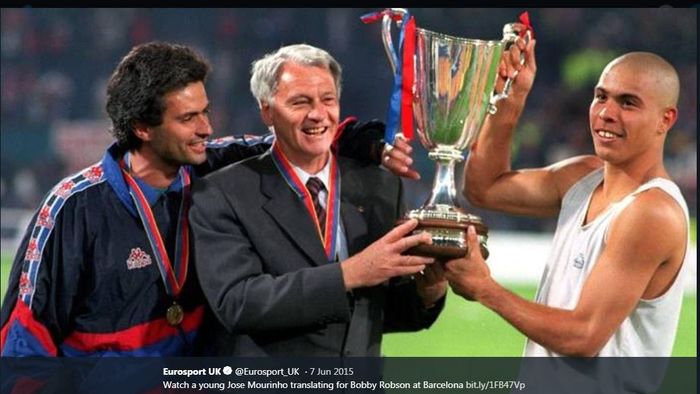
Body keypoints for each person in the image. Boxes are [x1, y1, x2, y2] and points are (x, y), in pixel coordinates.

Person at [0, 41, 416, 357]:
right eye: (188, 118)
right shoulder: (74, 208)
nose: (206, 128)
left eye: (205, 111)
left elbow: (295, 139)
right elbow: (25, 334)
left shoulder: (213, 164)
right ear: (143, 127)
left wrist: (369, 143)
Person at [189, 43, 448, 356]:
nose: (317, 114)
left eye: (328, 99)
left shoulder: (379, 187)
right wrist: (349, 273)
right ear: (266, 110)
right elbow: (239, 303)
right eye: (300, 102)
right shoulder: (221, 192)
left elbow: (370, 313)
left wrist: (426, 293)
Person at [444, 32, 691, 359]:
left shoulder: (652, 211)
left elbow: (583, 337)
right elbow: (483, 188)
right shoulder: (582, 178)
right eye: (601, 97)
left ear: (666, 119)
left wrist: (485, 289)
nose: (606, 113)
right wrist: (511, 98)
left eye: (627, 102)